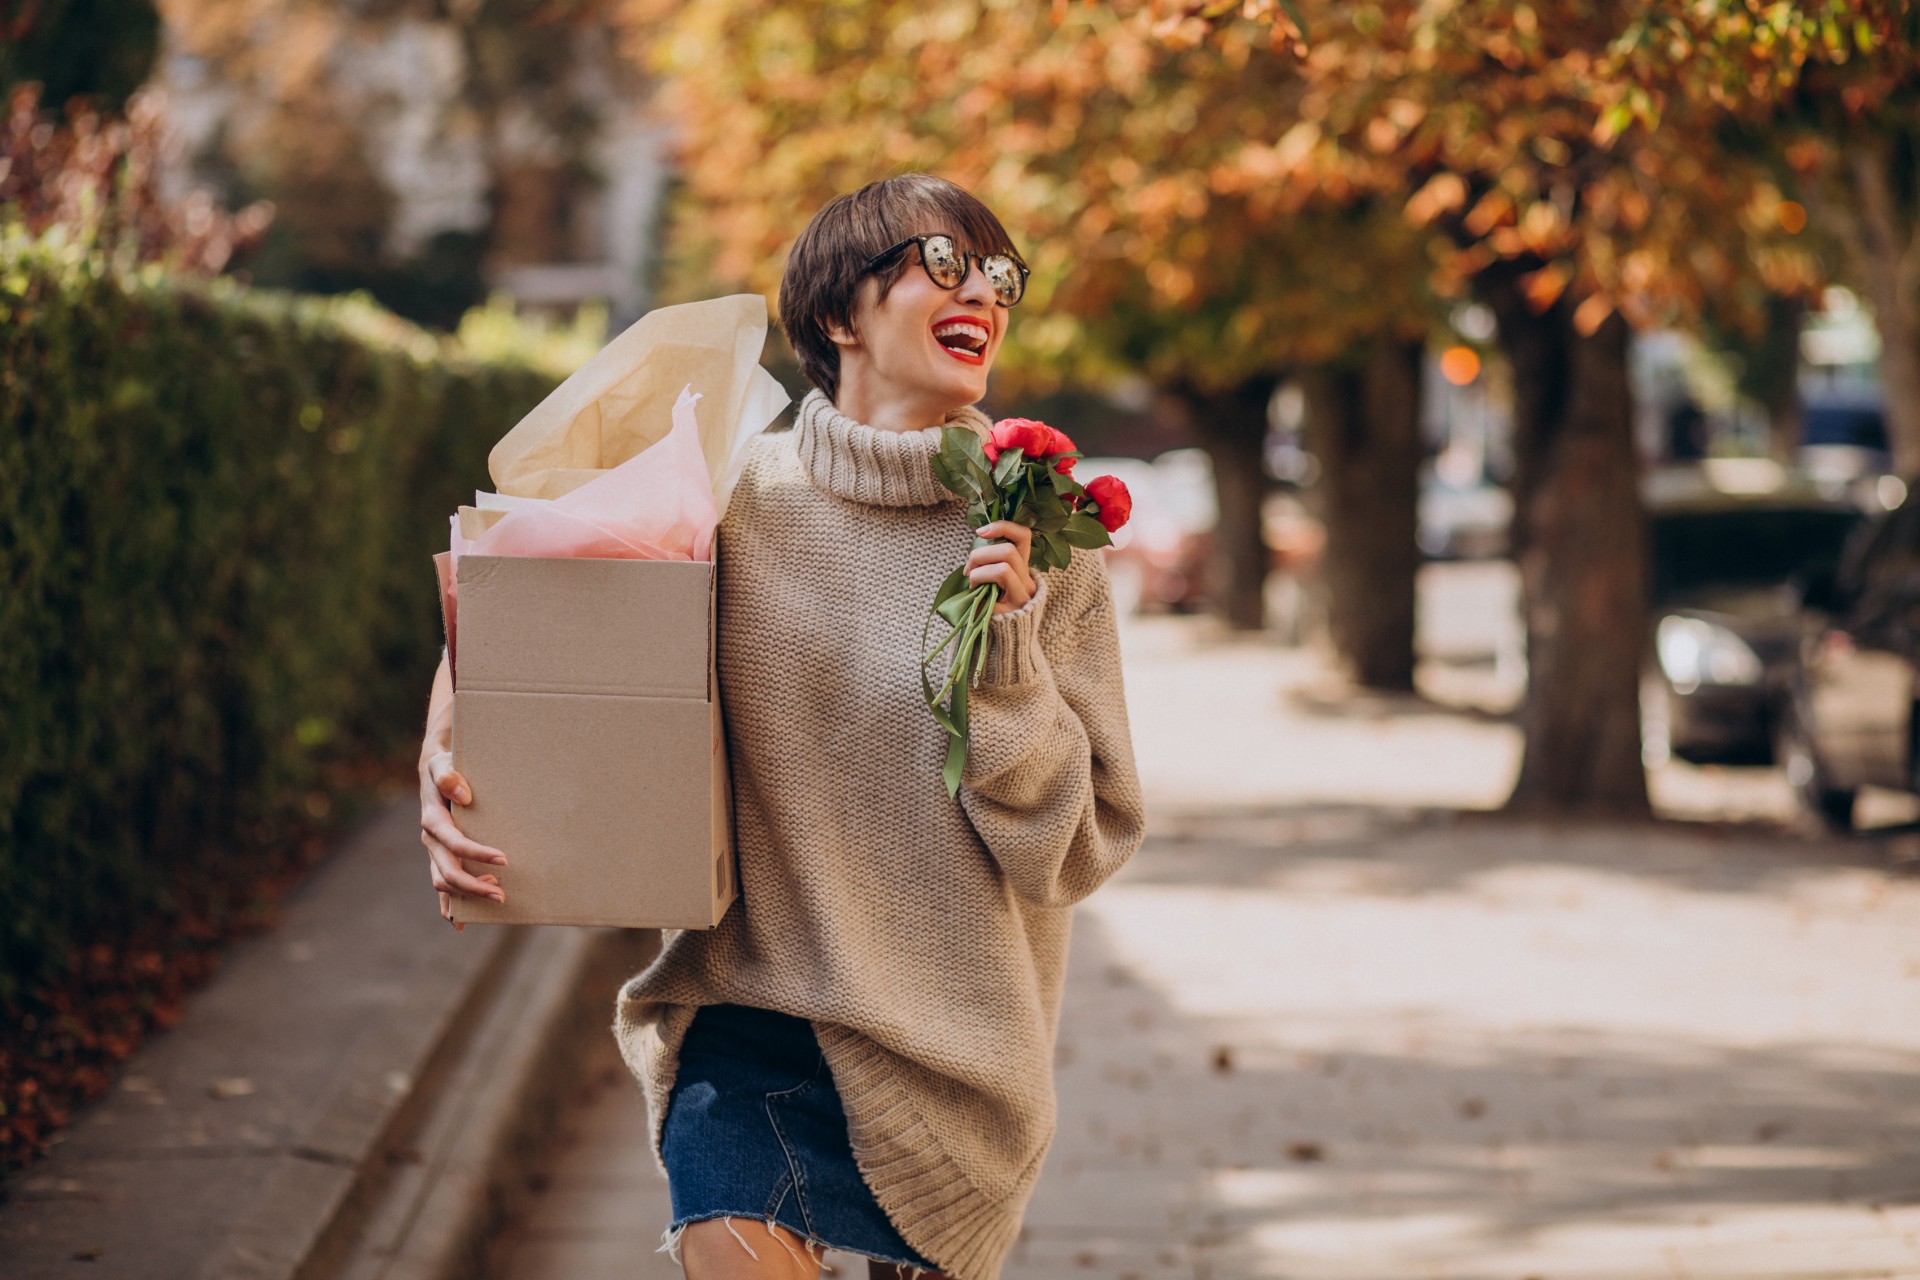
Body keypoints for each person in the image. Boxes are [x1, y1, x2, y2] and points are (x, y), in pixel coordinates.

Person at [417, 173, 1146, 1280]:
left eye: (1000, 276)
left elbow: (1070, 853)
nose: (984, 295)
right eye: (943, 264)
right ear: (836, 314)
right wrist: (446, 748)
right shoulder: (723, 499)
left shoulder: (1045, 540)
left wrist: (1003, 650)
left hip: (957, 1058)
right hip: (748, 1006)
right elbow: (523, 599)